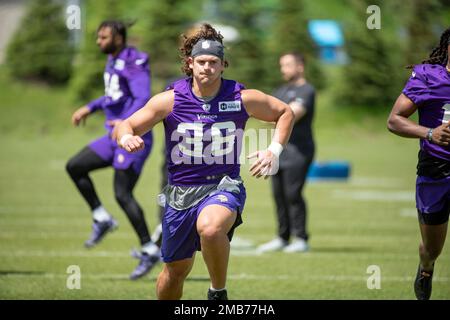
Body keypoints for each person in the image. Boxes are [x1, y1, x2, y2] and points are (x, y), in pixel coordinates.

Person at [114, 23, 294, 300]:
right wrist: (126, 138)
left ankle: (217, 292)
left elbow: (284, 112)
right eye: (201, 61)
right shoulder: (170, 100)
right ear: (190, 63)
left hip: (224, 186)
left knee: (210, 229)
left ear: (223, 65)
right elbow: (125, 125)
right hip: (180, 192)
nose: (207, 67)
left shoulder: (241, 97)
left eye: (214, 62)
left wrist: (273, 151)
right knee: (175, 271)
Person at [66, 20, 160, 280]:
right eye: (99, 37)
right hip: (112, 137)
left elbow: (143, 99)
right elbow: (113, 95)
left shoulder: (135, 61)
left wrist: (126, 122)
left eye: (104, 37)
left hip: (133, 136)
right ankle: (101, 217)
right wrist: (90, 107)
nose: (99, 41)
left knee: (122, 194)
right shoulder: (112, 59)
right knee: (75, 166)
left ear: (119, 38)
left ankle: (149, 248)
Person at [387, 27, 450, 300]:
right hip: (436, 166)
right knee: (432, 247)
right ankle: (426, 267)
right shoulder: (429, 77)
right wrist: (429, 133)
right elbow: (394, 120)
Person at [258, 52, 315, 253]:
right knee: (278, 195)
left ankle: (300, 238)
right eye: (282, 65)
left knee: (293, 193)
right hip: (278, 150)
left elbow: (292, 114)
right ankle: (282, 237)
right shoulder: (280, 90)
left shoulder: (306, 90)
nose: (284, 69)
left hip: (299, 151)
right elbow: (269, 115)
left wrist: (275, 116)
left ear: (300, 66)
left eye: (288, 65)